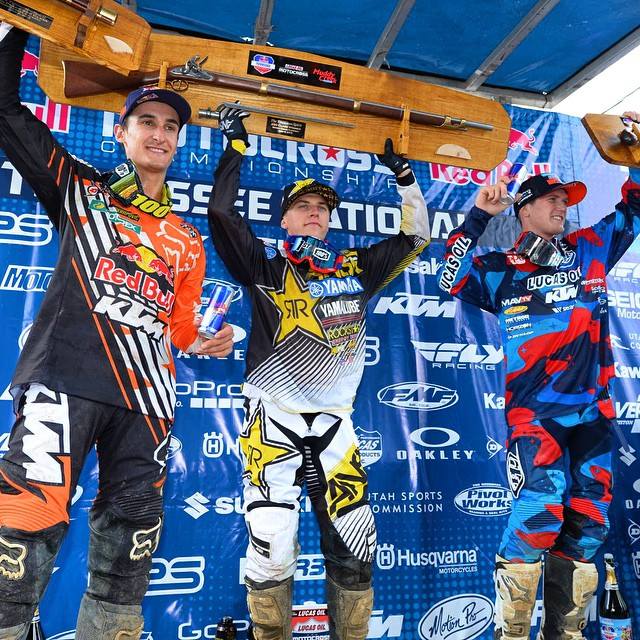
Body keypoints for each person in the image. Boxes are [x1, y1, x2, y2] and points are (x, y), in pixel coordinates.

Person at [0, 24, 233, 640]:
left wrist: (201, 340)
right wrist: (19, 24)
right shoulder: (81, 190)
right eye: (147, 122)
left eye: (170, 127)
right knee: (23, 526)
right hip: (65, 382)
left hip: (147, 399)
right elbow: (6, 111)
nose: (160, 134)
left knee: (131, 540)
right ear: (121, 133)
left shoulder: (187, 239)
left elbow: (179, 326)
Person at [208, 106, 430, 640]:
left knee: (356, 545)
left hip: (335, 428)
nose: (314, 213)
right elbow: (220, 213)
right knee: (270, 545)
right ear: (283, 219)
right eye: (302, 206)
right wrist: (234, 148)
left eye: (322, 208)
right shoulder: (263, 264)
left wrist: (405, 179)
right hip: (272, 423)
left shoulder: (355, 268)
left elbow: (416, 238)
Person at [437, 123, 640, 640]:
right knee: (538, 518)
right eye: (552, 199)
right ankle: (511, 634)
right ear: (524, 210)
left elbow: (635, 207)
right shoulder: (500, 269)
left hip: (593, 413)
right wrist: (479, 215)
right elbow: (448, 276)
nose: (562, 207)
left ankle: (564, 634)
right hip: (535, 417)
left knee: (590, 522)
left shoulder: (589, 249)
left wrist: (637, 157)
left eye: (565, 200)